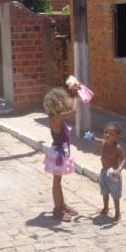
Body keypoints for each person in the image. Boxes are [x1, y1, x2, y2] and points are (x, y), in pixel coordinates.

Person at [43, 87, 78, 222]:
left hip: (60, 152)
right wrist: (76, 96)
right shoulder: (56, 118)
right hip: (58, 155)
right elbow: (74, 111)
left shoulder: (55, 117)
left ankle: (61, 205)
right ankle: (58, 210)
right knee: (56, 182)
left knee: (58, 181)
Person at [85, 122, 126, 221]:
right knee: (104, 192)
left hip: (113, 175)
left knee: (115, 195)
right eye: (105, 132)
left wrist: (119, 170)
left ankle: (117, 212)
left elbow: (123, 159)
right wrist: (90, 137)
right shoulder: (104, 143)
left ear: (116, 137)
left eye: (111, 134)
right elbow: (95, 139)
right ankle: (106, 208)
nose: (107, 135)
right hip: (103, 172)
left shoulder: (117, 148)